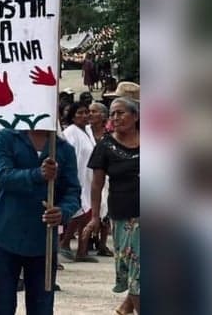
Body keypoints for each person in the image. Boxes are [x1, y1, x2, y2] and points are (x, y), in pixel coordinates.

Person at [0, 129, 81, 315]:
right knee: (0, 305)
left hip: (43, 241)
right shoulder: (6, 137)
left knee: (42, 307)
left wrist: (63, 212)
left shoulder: (63, 148)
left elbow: (72, 190)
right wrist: (38, 174)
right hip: (6, 235)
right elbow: (2, 175)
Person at [87, 97, 140, 315]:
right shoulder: (105, 146)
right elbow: (97, 185)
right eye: (113, 114)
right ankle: (128, 307)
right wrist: (95, 217)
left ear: (135, 116)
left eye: (121, 113)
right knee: (137, 272)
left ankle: (126, 308)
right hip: (124, 216)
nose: (116, 118)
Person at [59, 103, 98, 263]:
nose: (85, 115)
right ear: (73, 116)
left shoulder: (88, 130)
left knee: (89, 213)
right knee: (79, 211)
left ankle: (82, 251)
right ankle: (65, 242)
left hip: (89, 176)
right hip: (77, 176)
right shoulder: (70, 132)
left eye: (86, 112)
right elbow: (69, 155)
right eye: (80, 113)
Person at [86, 102, 113, 257]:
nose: (90, 114)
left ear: (103, 115)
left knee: (106, 207)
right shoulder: (85, 131)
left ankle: (102, 243)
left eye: (94, 111)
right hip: (88, 174)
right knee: (91, 205)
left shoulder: (110, 133)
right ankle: (89, 239)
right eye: (89, 111)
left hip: (107, 174)